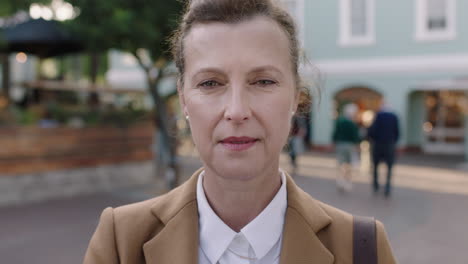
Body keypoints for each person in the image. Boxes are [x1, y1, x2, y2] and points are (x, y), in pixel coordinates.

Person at [83, 0, 396, 263]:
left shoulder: (360, 247)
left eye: (263, 82)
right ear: (183, 100)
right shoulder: (122, 242)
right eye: (210, 83)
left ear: (295, 96)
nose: (236, 111)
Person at [368, 104, 400, 198]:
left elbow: (372, 130)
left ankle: (375, 184)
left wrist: (372, 138)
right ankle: (387, 187)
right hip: (389, 144)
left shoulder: (378, 116)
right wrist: (393, 141)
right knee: (389, 167)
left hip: (378, 144)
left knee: (375, 165)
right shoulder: (394, 117)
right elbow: (397, 131)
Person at [332, 103, 360, 191]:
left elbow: (335, 133)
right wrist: (357, 145)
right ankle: (347, 181)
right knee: (348, 164)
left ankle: (340, 181)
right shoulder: (352, 123)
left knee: (340, 163)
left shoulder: (340, 121)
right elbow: (355, 136)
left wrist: (334, 142)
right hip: (349, 145)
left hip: (340, 144)